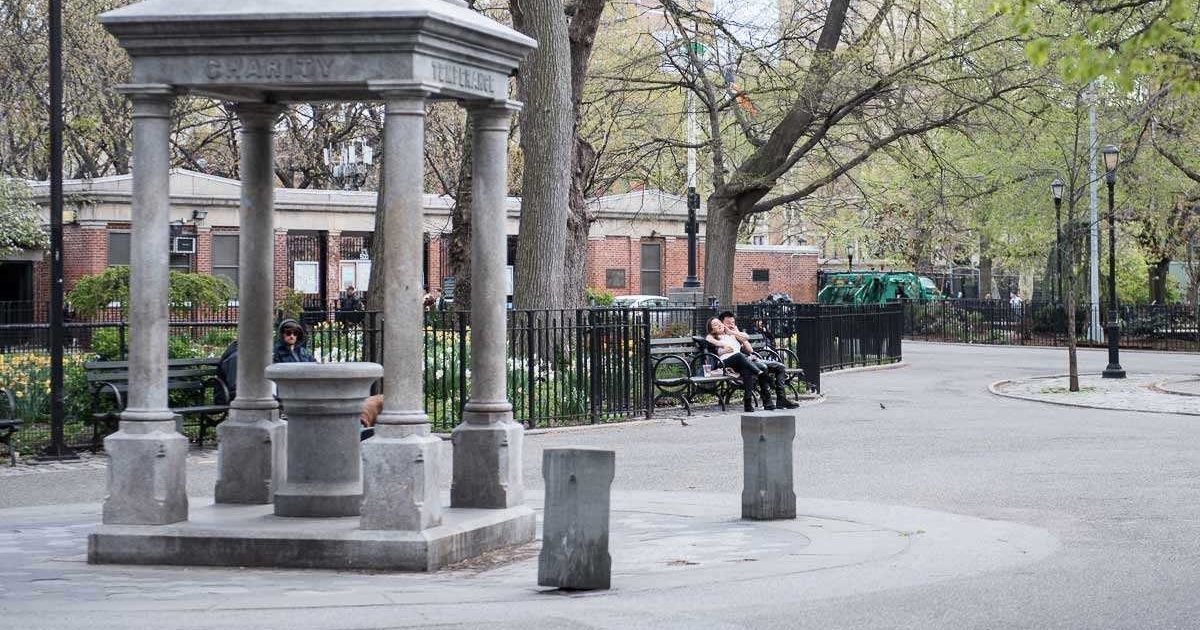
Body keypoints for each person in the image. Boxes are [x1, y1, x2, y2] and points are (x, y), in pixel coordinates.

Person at [718, 311, 799, 409]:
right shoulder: (719, 336)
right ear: (722, 323)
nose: (731, 325)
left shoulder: (735, 334)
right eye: (728, 323)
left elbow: (750, 349)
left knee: (780, 367)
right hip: (735, 364)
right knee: (763, 367)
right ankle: (767, 401)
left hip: (748, 360)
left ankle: (781, 399)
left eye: (733, 323)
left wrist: (735, 333)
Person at [705, 317, 765, 412]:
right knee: (739, 356)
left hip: (739, 363)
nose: (719, 325)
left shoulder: (732, 335)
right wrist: (722, 346)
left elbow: (746, 338)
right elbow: (708, 339)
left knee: (747, 371)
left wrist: (732, 332)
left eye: (719, 322)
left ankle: (748, 403)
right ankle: (757, 372)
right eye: (715, 325)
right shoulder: (712, 337)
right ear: (712, 330)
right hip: (724, 363)